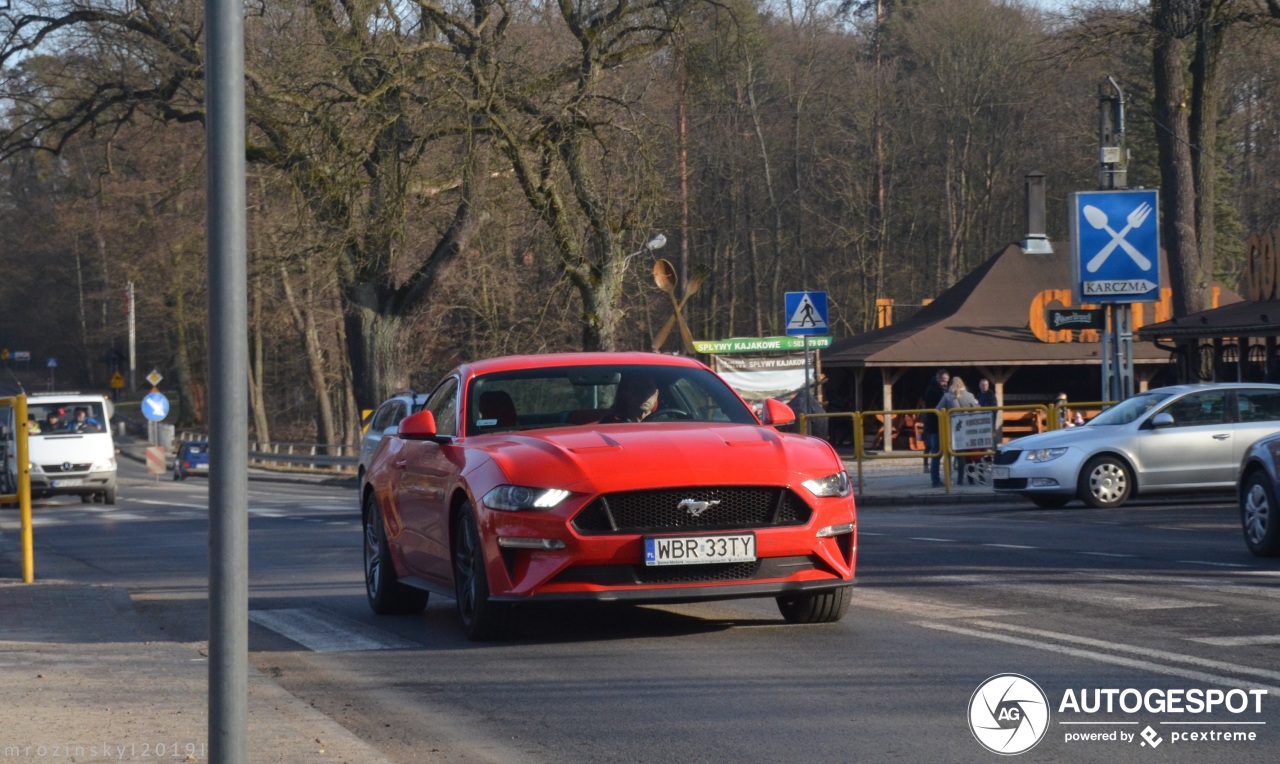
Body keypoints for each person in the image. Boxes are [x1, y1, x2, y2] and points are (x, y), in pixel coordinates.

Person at [941, 377, 979, 484]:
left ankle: (948, 479)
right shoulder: (969, 396)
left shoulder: (947, 396)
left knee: (948, 454)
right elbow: (977, 411)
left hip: (950, 428)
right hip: (965, 429)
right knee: (961, 455)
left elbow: (938, 409)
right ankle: (960, 480)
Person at [921, 368, 949, 487]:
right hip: (935, 426)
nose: (945, 383)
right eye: (943, 380)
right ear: (938, 378)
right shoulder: (933, 390)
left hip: (937, 425)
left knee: (937, 453)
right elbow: (935, 409)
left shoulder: (937, 389)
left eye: (947, 381)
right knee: (936, 453)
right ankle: (935, 480)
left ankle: (937, 479)